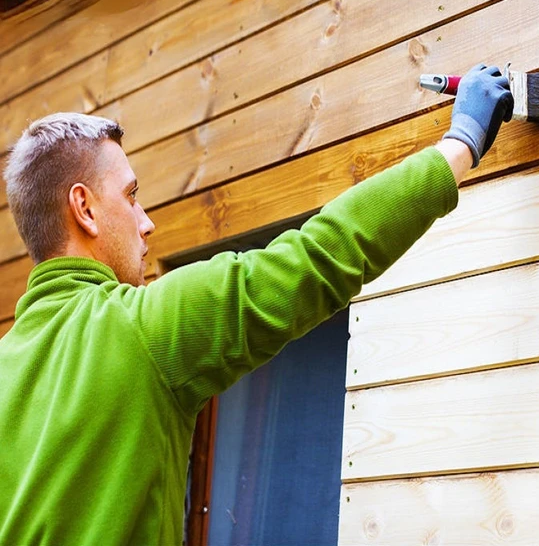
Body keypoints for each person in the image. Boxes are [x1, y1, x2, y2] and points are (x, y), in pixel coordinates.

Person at [0, 64, 512, 545]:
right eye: (131, 196)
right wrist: (462, 140)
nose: (146, 221)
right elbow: (319, 257)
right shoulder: (143, 328)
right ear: (84, 208)